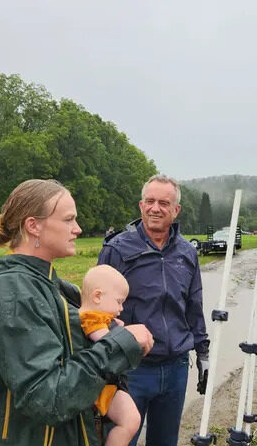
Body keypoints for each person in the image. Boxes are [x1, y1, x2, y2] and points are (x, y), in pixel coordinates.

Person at [0, 179, 154, 446]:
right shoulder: (11, 290)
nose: (78, 229)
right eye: (69, 220)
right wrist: (119, 346)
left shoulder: (47, 284)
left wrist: (109, 332)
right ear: (33, 225)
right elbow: (46, 397)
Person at [97, 174, 209, 446]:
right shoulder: (116, 250)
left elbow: (194, 304)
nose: (155, 208)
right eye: (150, 201)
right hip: (130, 370)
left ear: (175, 210)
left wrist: (203, 352)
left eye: (163, 202)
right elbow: (97, 310)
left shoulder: (187, 252)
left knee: (165, 441)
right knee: (121, 439)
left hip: (175, 369)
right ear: (141, 205)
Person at [79, 265, 141, 446]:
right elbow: (110, 345)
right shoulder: (91, 318)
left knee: (131, 420)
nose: (121, 308)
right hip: (102, 389)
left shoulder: (96, 317)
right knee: (130, 421)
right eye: (119, 302)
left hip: (103, 385)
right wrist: (124, 334)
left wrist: (112, 323)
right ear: (97, 296)